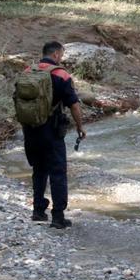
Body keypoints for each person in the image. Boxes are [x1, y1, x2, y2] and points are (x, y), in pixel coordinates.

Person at [22, 41, 86, 229]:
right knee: (57, 172)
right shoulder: (61, 75)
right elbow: (73, 104)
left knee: (39, 170)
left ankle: (38, 211)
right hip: (52, 130)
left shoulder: (27, 72)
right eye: (61, 55)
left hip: (30, 129)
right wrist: (80, 127)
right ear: (57, 54)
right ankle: (58, 216)